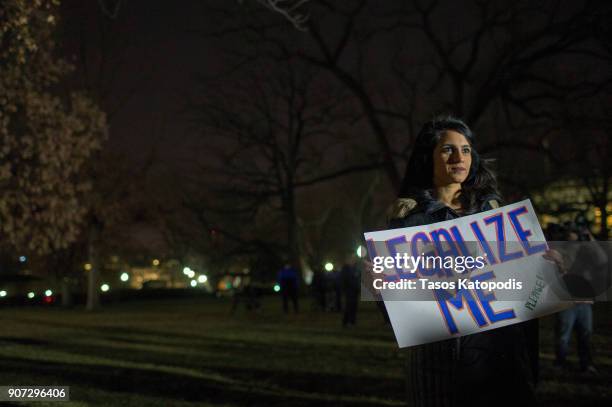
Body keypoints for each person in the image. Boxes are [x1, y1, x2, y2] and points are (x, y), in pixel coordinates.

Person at [382, 116, 539, 406]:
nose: (459, 157)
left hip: (499, 359)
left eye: (465, 150)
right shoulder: (408, 220)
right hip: (440, 362)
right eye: (447, 149)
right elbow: (397, 313)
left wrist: (547, 272)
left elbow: (522, 290)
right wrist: (382, 287)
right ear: (428, 157)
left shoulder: (495, 214)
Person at [340, 251, 361, 326]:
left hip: (355, 290)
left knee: (354, 306)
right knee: (349, 306)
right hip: (349, 290)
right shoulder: (345, 269)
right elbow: (344, 280)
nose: (354, 260)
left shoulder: (355, 268)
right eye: (352, 258)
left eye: (354, 258)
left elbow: (358, 278)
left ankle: (352, 321)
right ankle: (346, 321)